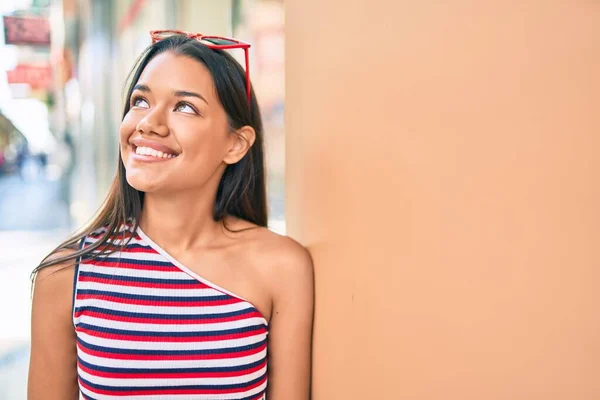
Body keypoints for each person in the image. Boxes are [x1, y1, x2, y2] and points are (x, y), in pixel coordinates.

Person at [28, 31, 314, 400]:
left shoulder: (281, 267)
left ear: (235, 143)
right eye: (141, 101)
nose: (148, 123)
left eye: (184, 107)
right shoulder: (65, 276)